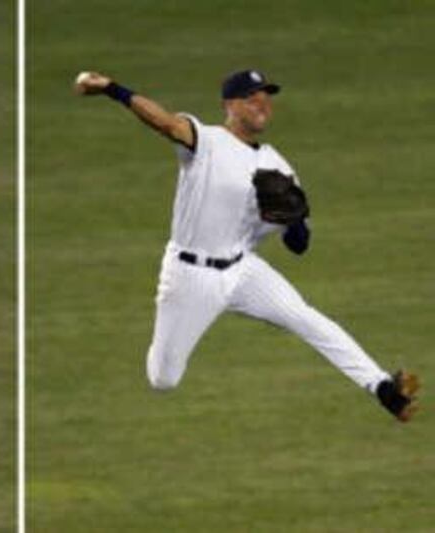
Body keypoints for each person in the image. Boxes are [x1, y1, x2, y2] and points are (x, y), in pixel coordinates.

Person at [74, 69, 418, 421]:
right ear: (230, 105)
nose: (262, 103)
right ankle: (162, 345)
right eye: (252, 97)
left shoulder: (277, 165)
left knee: (305, 317)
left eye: (266, 96)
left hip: (242, 269)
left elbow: (299, 246)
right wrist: (112, 89)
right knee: (164, 379)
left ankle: (382, 388)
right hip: (190, 276)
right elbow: (163, 122)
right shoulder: (204, 141)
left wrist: (296, 220)